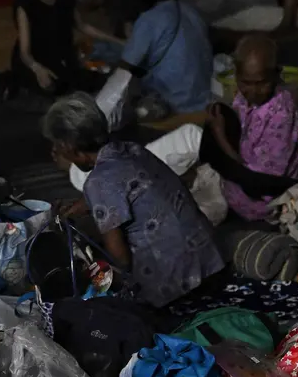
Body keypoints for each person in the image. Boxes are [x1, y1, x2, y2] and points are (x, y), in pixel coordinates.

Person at [43, 93, 223, 307]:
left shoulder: (98, 181)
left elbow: (121, 259)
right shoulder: (131, 149)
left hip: (179, 285)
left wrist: (92, 275)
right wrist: (85, 204)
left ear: (70, 148)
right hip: (209, 260)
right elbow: (127, 190)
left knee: (97, 286)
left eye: (58, 146)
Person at [204, 35, 298, 221]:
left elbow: (256, 182)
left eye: (261, 83)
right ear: (236, 76)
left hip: (259, 202)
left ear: (276, 74)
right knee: (189, 136)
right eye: (245, 82)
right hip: (239, 172)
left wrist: (220, 137)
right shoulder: (244, 97)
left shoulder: (282, 113)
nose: (252, 91)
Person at [9, 0, 123, 96]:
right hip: (35, 60)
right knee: (52, 86)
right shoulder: (25, 1)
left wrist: (117, 40)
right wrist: (37, 69)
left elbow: (82, 26)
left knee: (92, 80)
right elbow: (24, 52)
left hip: (61, 55)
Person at [118, 0, 213, 116]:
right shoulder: (191, 11)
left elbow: (125, 68)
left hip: (173, 105)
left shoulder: (150, 19)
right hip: (204, 99)